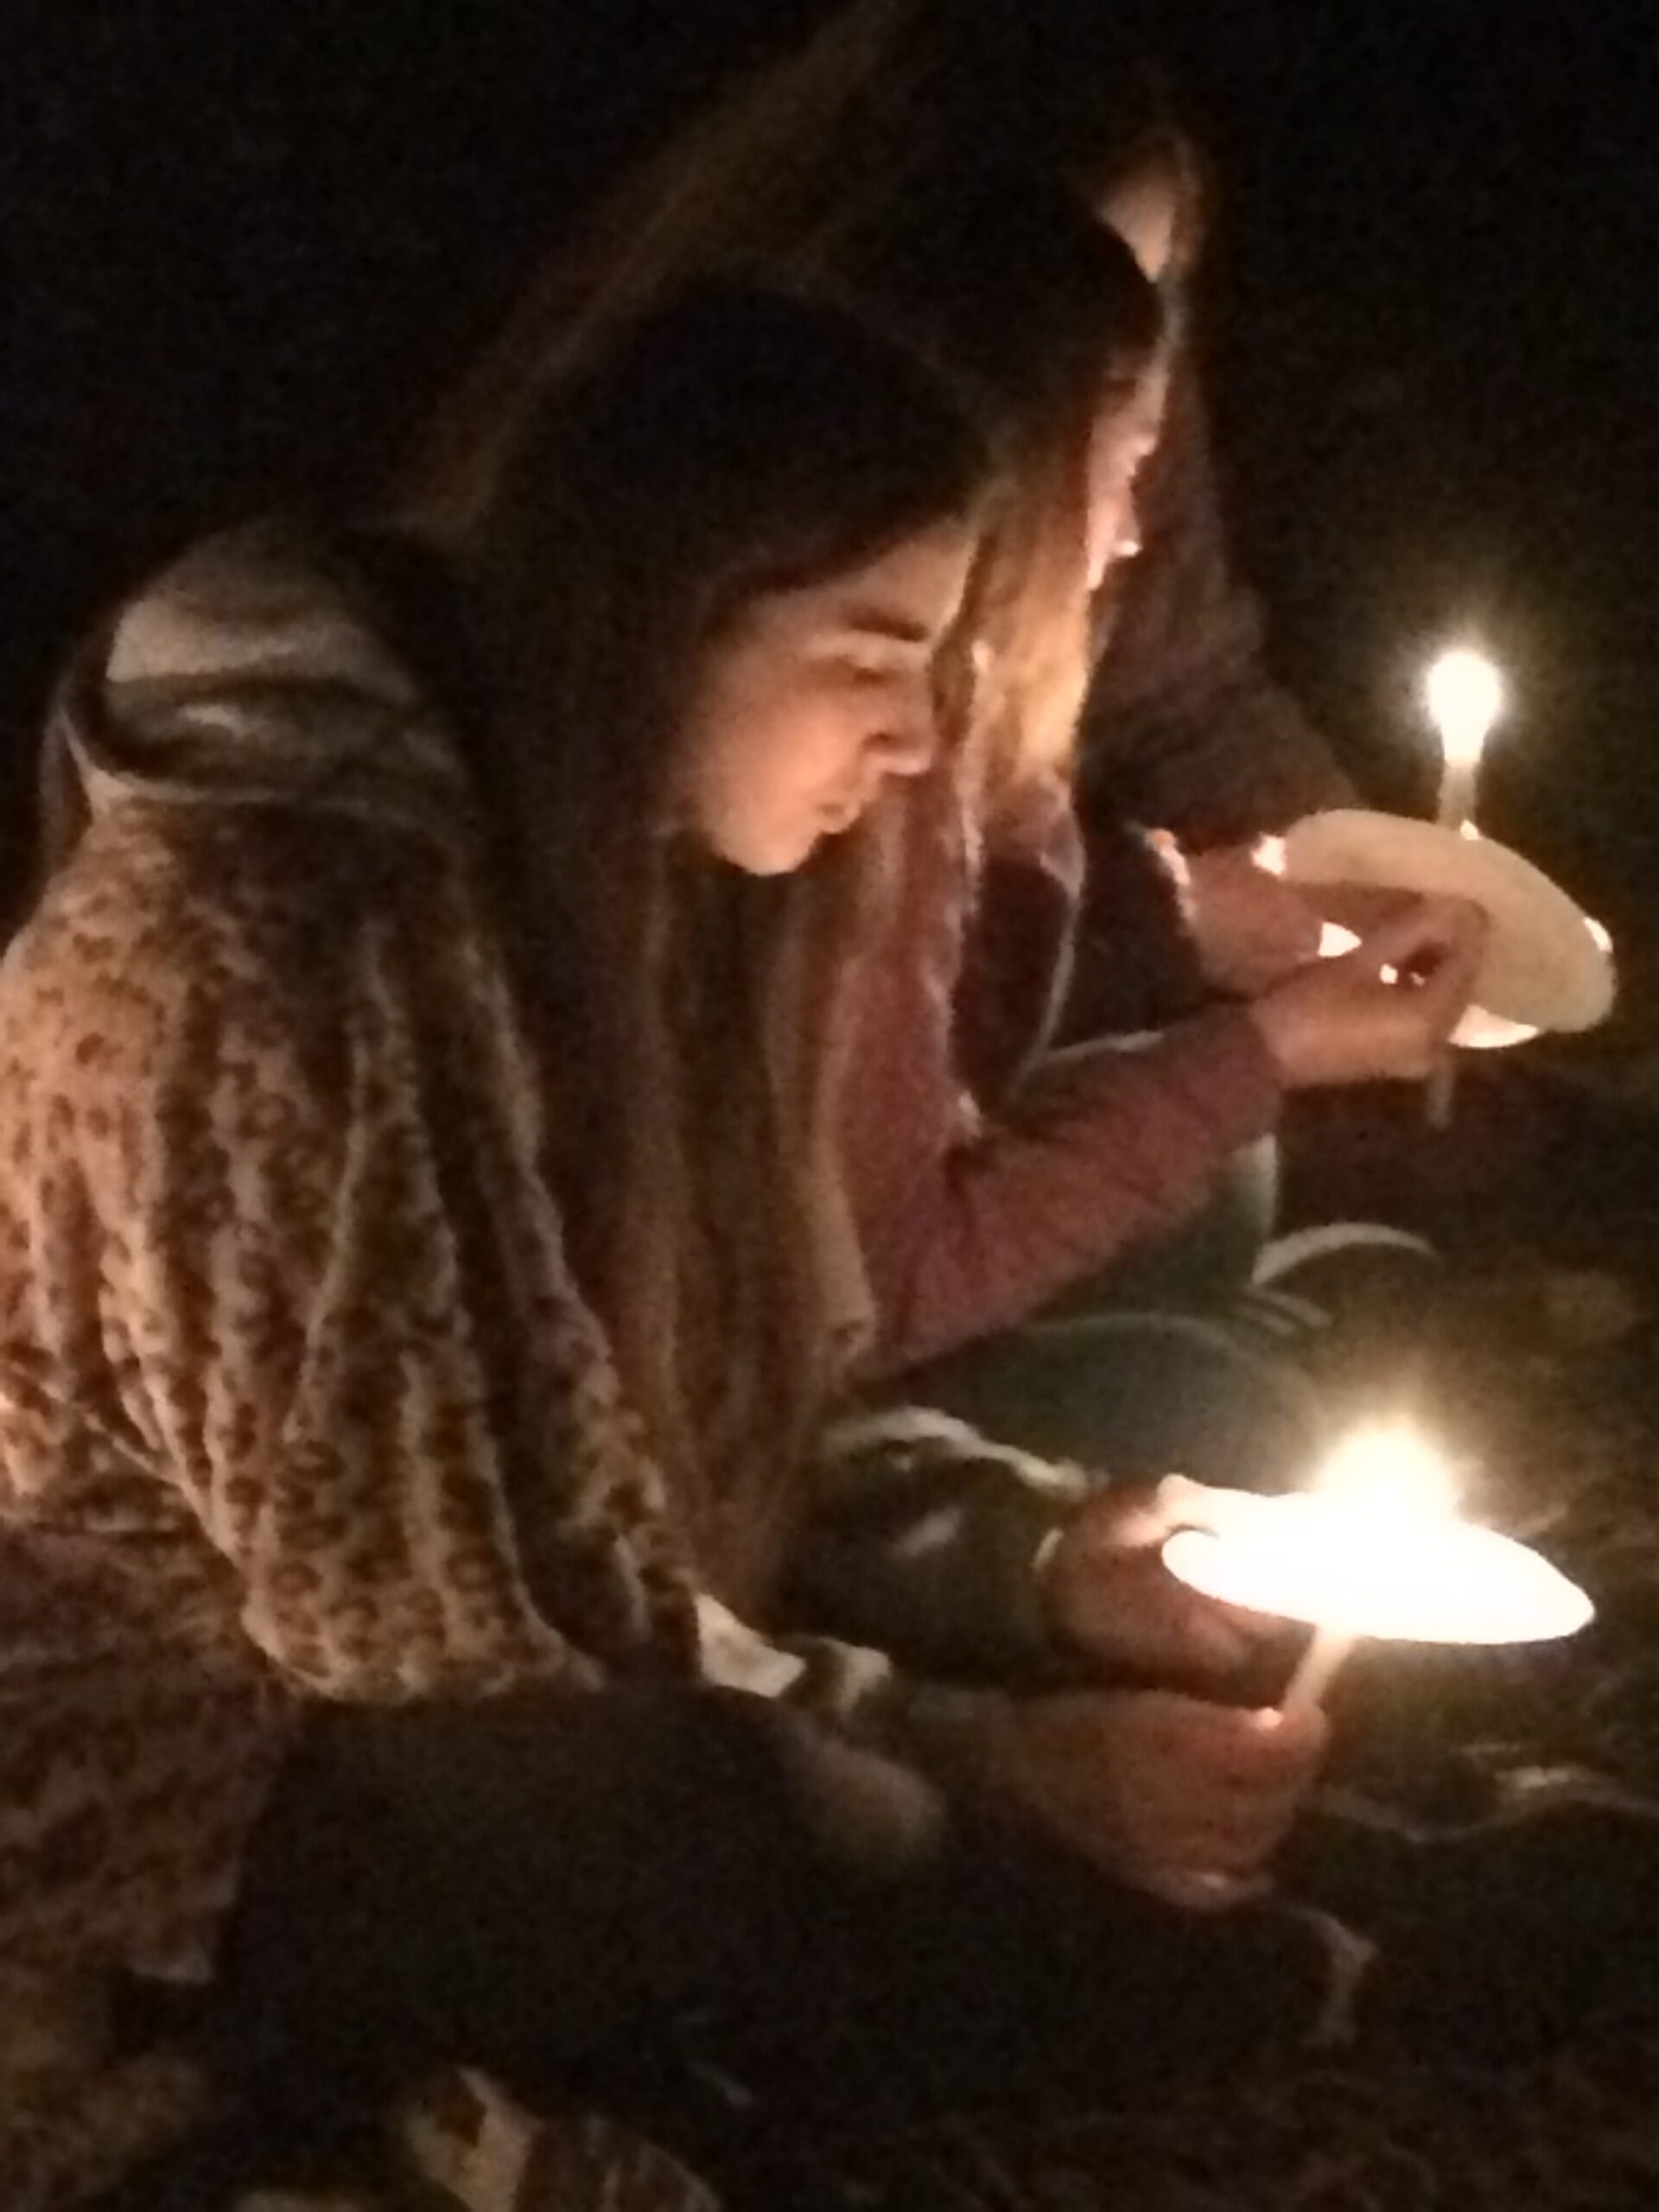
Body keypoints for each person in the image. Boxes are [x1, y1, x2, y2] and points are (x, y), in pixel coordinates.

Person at [0, 278, 1336, 2212]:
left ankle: (1200, 1926)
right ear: (667, 611)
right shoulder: (283, 968)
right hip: (141, 1821)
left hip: (374, 1725)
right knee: (744, 1824)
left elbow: (648, 1438)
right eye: (871, 655)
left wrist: (1039, 1570)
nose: (915, 736)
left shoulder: (551, 870)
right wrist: (988, 1759)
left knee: (956, 1683)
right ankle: (1259, 1967)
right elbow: (452, 1650)